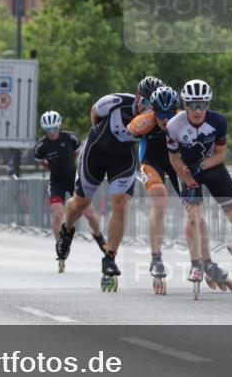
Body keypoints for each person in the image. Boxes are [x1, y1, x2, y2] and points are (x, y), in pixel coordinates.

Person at [56, 76, 164, 291]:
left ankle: (110, 257)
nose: (147, 108)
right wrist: (99, 134)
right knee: (80, 204)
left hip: (123, 159)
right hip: (96, 153)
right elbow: (94, 114)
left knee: (121, 203)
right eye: (144, 101)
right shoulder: (115, 102)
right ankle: (66, 230)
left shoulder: (157, 120)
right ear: (136, 97)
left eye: (152, 105)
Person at [167, 79, 232, 290]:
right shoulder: (174, 125)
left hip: (212, 168)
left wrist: (202, 165)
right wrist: (188, 179)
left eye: (203, 104)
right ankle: (198, 263)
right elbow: (174, 159)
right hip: (188, 173)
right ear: (184, 105)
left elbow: (221, 154)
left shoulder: (218, 121)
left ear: (209, 105)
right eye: (192, 105)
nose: (197, 110)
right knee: (195, 218)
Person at [33, 110, 106, 268]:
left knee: (90, 214)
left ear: (59, 127)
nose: (52, 133)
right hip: (56, 183)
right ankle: (61, 248)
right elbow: (43, 163)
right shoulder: (40, 146)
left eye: (54, 129)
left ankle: (99, 237)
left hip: (74, 180)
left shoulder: (70, 138)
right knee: (58, 215)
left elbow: (77, 155)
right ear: (44, 130)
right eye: (48, 130)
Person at [127, 85, 182, 294]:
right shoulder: (148, 120)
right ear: (154, 111)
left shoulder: (182, 120)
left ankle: (203, 260)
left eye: (170, 114)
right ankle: (156, 257)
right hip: (152, 161)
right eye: (160, 114)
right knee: (160, 200)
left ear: (176, 111)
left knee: (194, 203)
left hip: (176, 162)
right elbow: (130, 130)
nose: (165, 119)